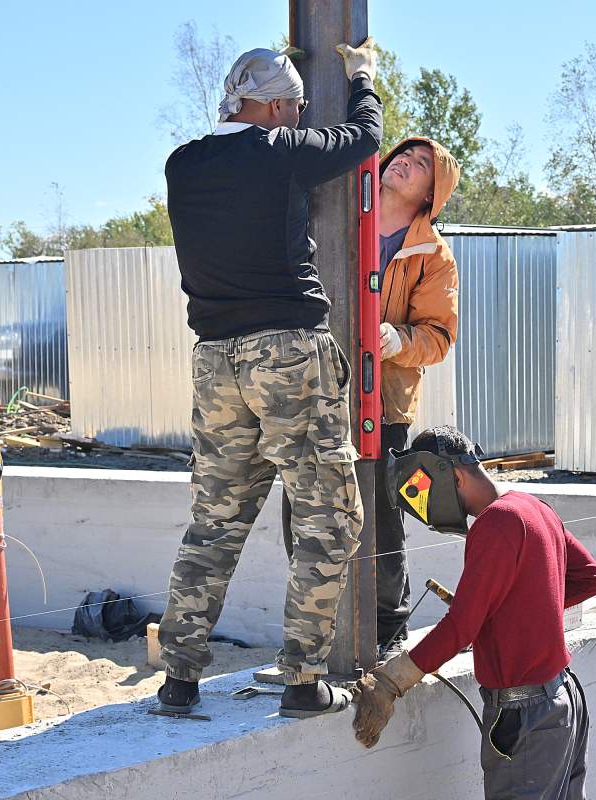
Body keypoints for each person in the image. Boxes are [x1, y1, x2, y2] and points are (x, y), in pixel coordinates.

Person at [157, 40, 382, 719]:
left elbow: (245, 161)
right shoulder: (282, 151)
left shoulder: (184, 164)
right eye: (291, 108)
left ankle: (178, 679)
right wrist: (363, 76)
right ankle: (303, 679)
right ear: (279, 107)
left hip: (214, 361)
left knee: (215, 522)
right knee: (330, 518)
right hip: (286, 356)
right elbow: (364, 137)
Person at [353, 425, 596, 799]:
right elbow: (590, 579)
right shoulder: (533, 507)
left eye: (424, 494)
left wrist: (391, 681)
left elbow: (461, 626)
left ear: (453, 476)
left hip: (527, 717)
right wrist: (514, 610)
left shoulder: (496, 523)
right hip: (563, 702)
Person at [373, 137, 461, 662]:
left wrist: (399, 341)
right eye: (403, 154)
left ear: (432, 195)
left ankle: (388, 623)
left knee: (384, 512)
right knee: (305, 508)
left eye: (422, 164)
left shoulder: (433, 255)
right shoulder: (340, 217)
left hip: (382, 403)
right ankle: (320, 620)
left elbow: (439, 337)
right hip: (316, 392)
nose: (405, 161)